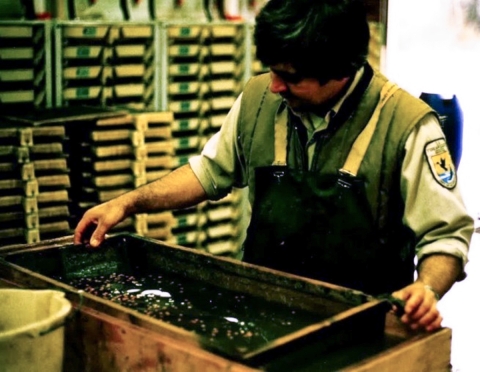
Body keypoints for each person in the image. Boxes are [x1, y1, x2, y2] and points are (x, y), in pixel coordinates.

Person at [75, 0, 474, 333]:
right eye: (272, 70)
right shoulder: (258, 100)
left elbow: (446, 236)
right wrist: (128, 203)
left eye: (290, 77)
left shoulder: (407, 126)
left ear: (340, 71)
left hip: (361, 333)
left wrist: (426, 289)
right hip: (262, 320)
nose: (274, 86)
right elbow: (209, 172)